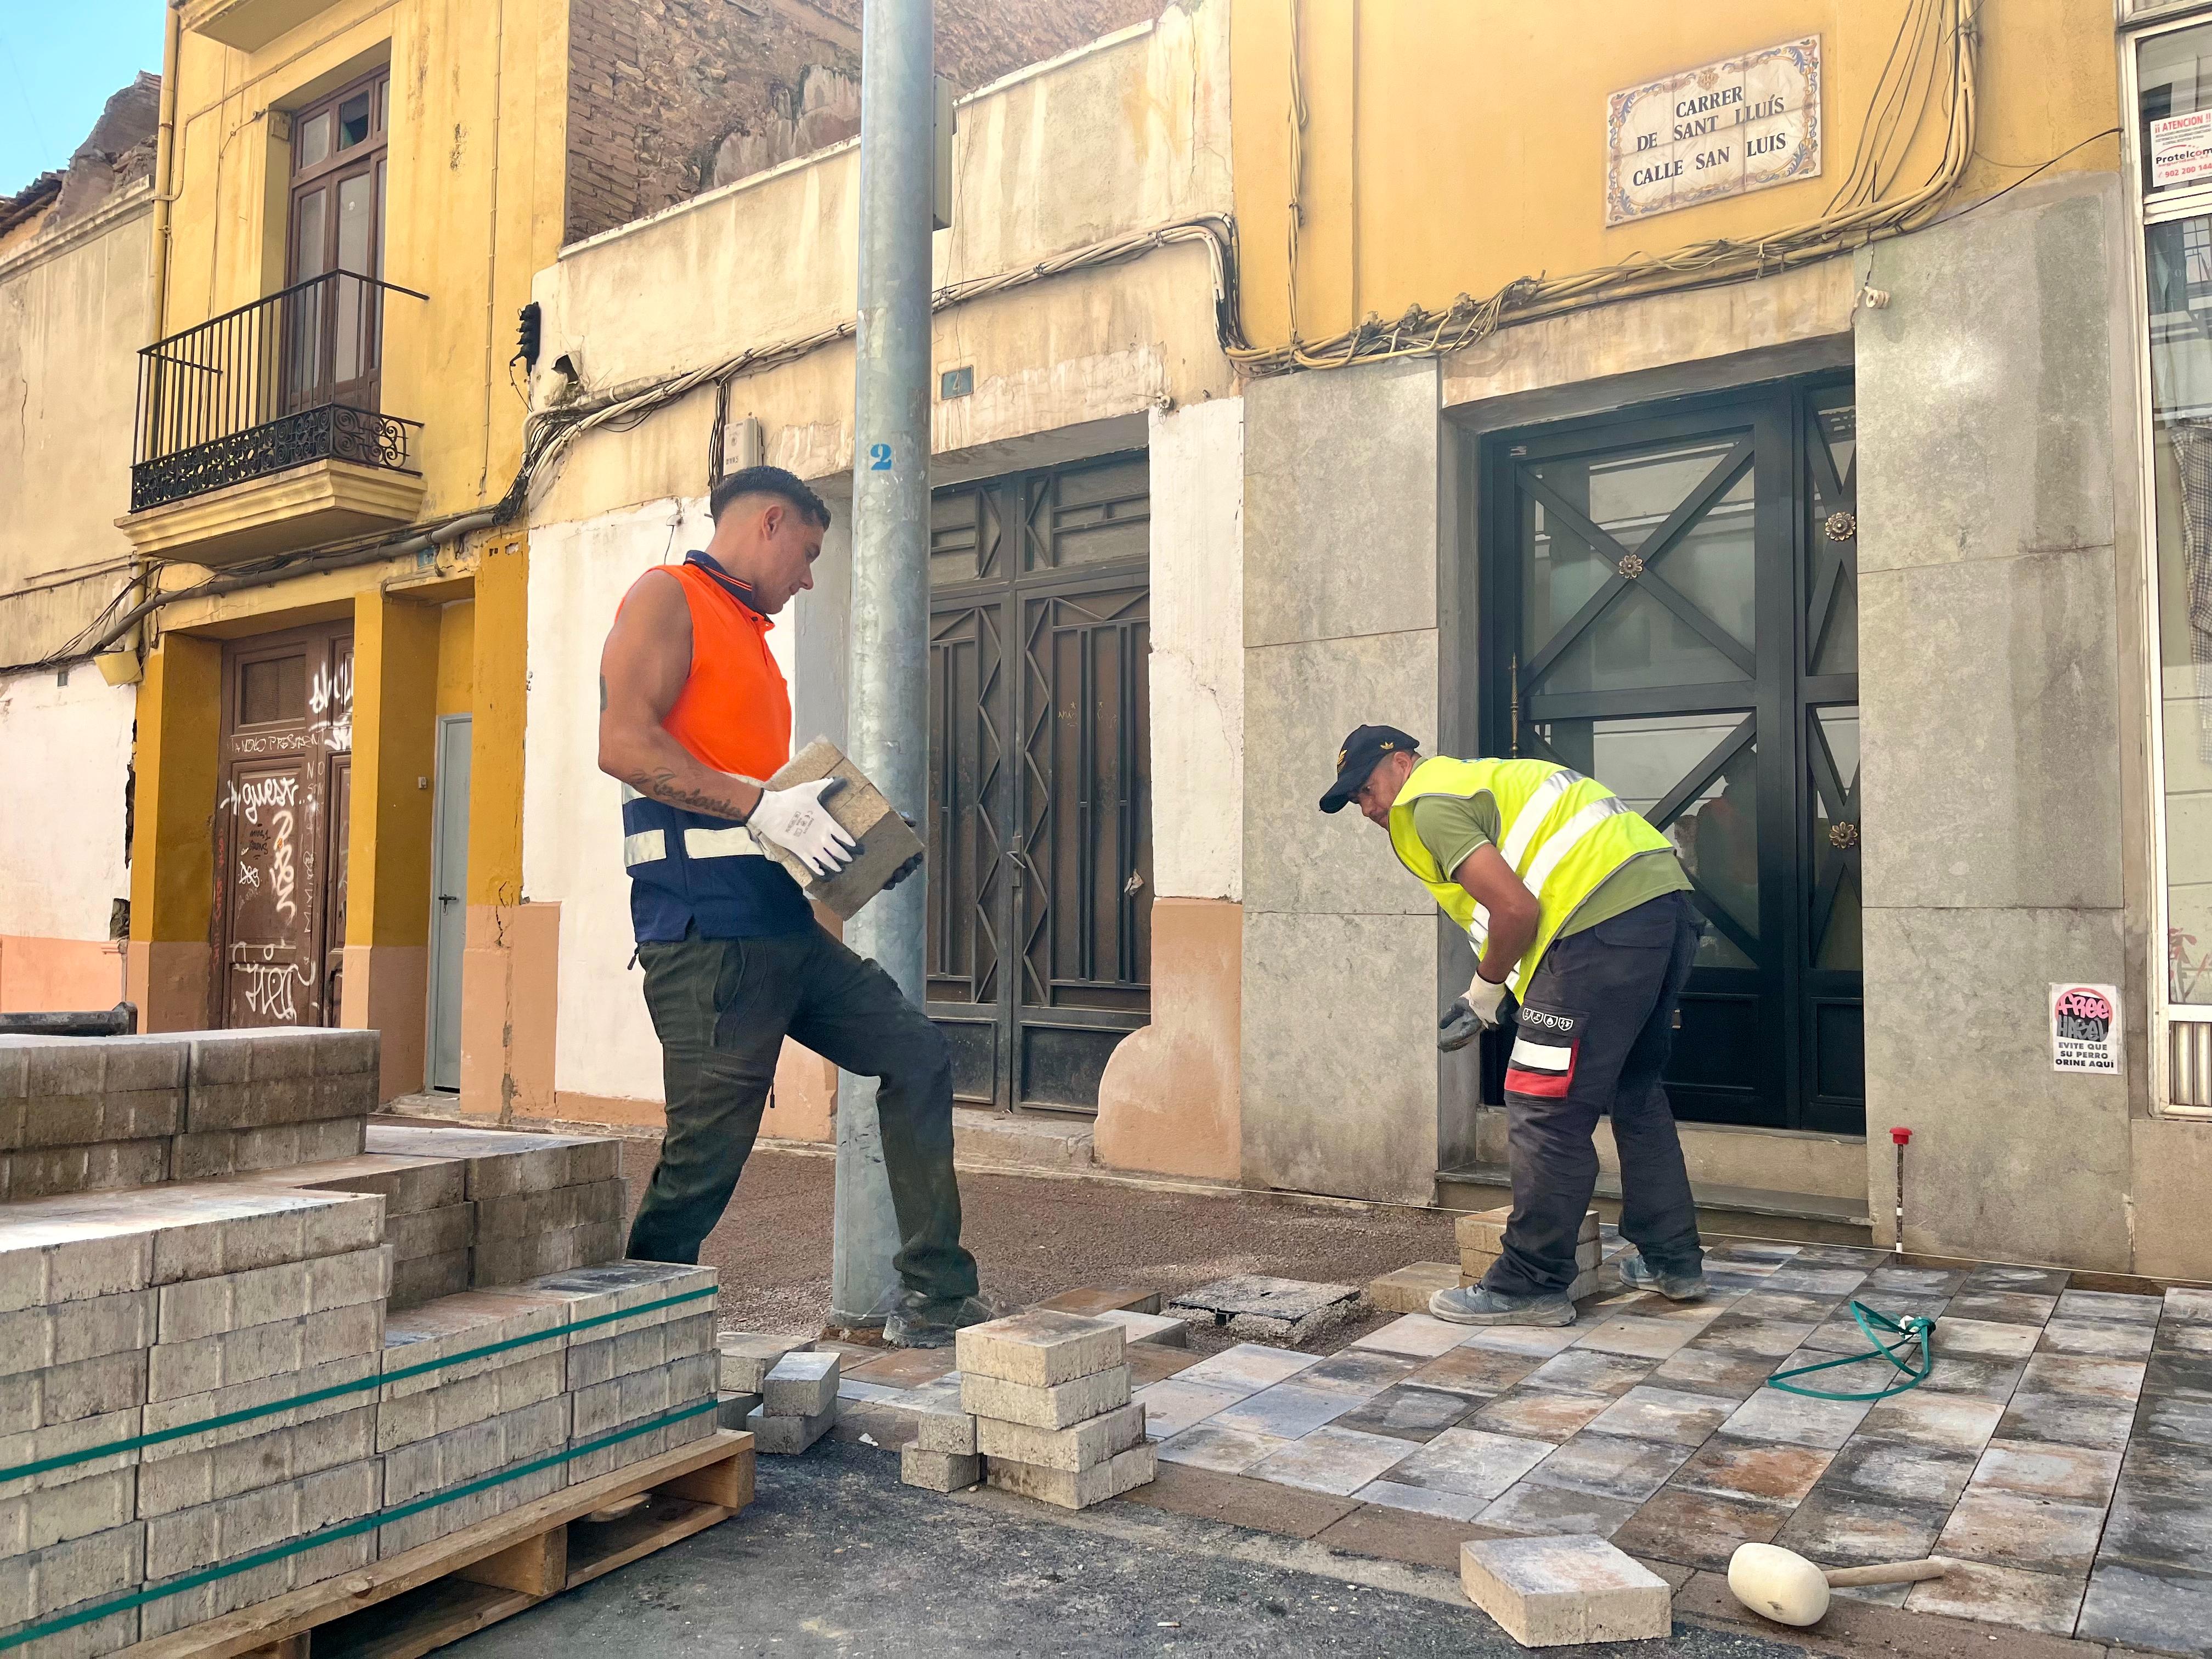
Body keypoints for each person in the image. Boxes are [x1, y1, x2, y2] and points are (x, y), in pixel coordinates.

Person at [596, 464, 988, 1347]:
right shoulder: (667, 599)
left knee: (917, 1055)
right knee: (705, 1162)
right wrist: (761, 806)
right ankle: (628, 1341)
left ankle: (939, 1294)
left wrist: (848, 849)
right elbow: (623, 745)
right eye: (809, 552)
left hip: (781, 927)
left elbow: (760, 799)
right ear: (770, 523)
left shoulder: (749, 637)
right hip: (706, 941)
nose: (810, 575)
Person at [1319, 724, 1708, 1325]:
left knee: (1542, 1102)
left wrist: (1484, 992)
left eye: (1367, 789)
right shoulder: (1478, 781)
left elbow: (1515, 909)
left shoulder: (1426, 805)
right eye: (1355, 801)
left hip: (1596, 930)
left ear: (1402, 763)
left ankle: (1531, 1282)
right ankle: (1672, 1258)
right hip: (1665, 910)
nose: (1368, 809)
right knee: (1635, 1089)